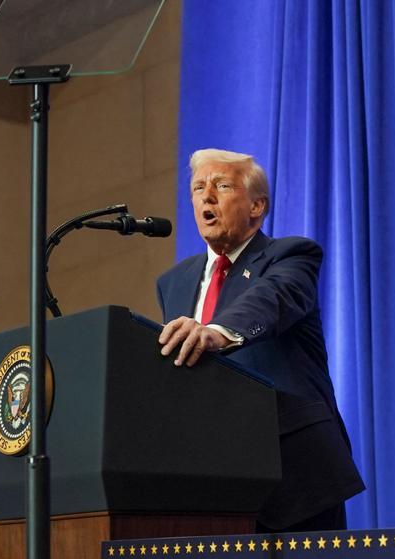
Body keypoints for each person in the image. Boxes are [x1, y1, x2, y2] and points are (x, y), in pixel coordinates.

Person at [156, 148, 364, 532]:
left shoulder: (290, 256)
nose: (207, 196)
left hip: (294, 478)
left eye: (221, 185)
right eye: (198, 187)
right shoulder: (173, 283)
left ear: (257, 206)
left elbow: (270, 301)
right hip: (210, 483)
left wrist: (215, 333)